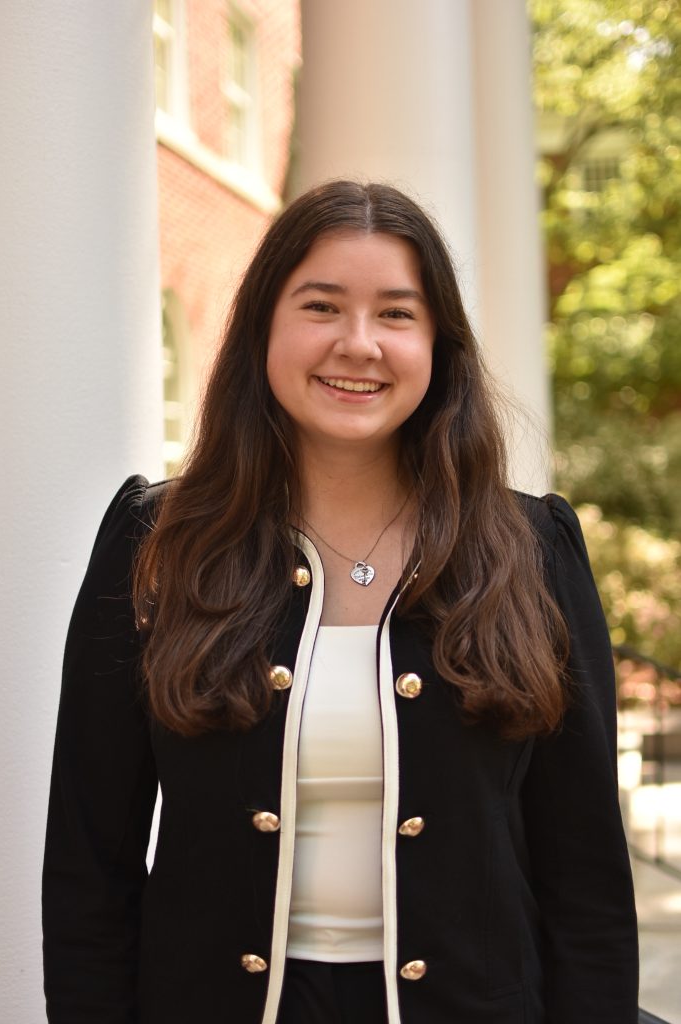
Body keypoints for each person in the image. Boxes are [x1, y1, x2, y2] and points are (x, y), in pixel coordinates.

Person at [42, 179, 639, 1024]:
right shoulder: (155, 544)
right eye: (321, 306)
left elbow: (586, 878)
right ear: (264, 330)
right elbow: (88, 864)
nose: (358, 344)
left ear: (439, 346)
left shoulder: (529, 550)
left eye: (397, 314)